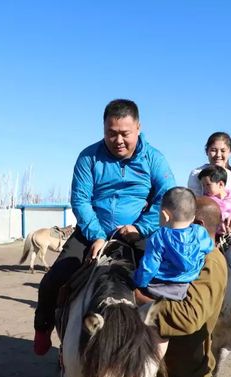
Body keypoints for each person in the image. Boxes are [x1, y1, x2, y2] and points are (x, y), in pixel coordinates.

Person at [33, 98, 176, 355]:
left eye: (125, 134)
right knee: (52, 281)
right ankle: (43, 329)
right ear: (103, 130)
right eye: (111, 133)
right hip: (91, 233)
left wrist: (141, 228)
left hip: (135, 234)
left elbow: (166, 198)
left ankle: (162, 348)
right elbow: (80, 199)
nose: (118, 140)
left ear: (138, 128)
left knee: (166, 284)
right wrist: (97, 234)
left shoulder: (154, 159)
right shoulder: (89, 157)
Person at [138, 197, 227, 377]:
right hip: (169, 373)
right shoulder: (187, 256)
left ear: (196, 224)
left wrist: (139, 304)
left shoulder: (210, 262)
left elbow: (188, 316)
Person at [133, 187, 213, 301]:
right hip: (185, 288)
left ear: (165, 215)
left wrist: (138, 282)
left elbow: (149, 268)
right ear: (193, 218)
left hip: (158, 288)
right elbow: (209, 248)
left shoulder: (159, 237)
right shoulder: (200, 233)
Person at [187, 131, 231, 233]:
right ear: (207, 151)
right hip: (203, 229)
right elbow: (194, 206)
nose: (218, 155)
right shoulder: (197, 174)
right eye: (213, 150)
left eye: (223, 151)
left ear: (230, 152)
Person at [198, 165, 231, 239]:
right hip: (214, 234)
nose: (205, 188)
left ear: (221, 184)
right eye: (203, 185)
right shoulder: (207, 200)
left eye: (208, 185)